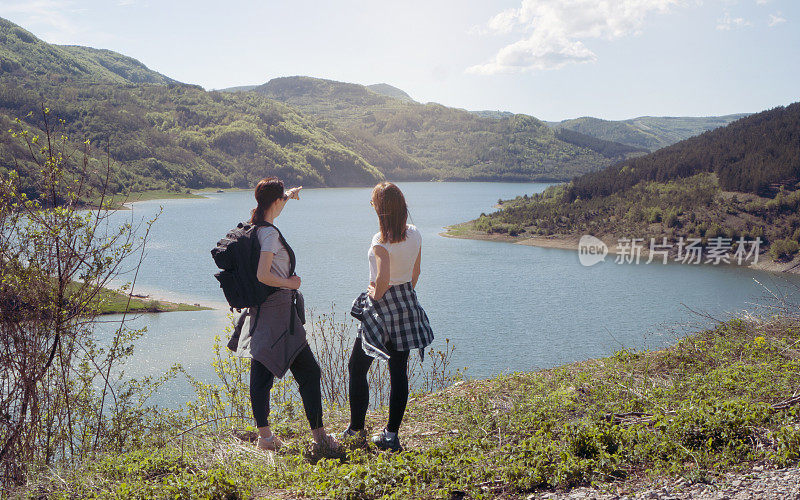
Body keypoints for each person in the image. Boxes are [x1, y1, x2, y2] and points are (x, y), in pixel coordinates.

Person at [236, 177, 338, 454]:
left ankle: (265, 437)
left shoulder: (254, 223)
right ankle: (319, 439)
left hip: (261, 312)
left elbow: (270, 205)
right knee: (309, 372)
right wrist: (291, 283)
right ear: (275, 202)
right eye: (282, 198)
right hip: (279, 314)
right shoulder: (269, 234)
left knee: (261, 371)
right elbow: (262, 274)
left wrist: (288, 195)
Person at [343, 182, 434, 452]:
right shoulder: (415, 234)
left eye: (374, 204)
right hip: (407, 302)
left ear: (381, 210)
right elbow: (416, 272)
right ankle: (391, 435)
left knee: (357, 367)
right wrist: (403, 295)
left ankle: (356, 429)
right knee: (399, 373)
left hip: (382, 307)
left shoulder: (380, 241)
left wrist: (373, 295)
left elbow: (381, 280)